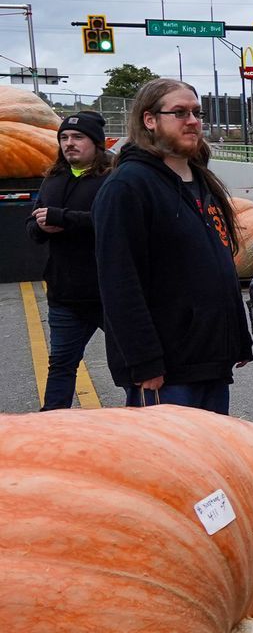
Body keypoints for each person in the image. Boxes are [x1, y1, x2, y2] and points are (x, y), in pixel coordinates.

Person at [92, 79, 252, 411]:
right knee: (170, 463)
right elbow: (119, 282)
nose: (193, 121)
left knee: (211, 460)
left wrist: (237, 338)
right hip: (165, 371)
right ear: (150, 120)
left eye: (197, 112)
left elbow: (219, 263)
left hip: (209, 360)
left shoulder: (201, 180)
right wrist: (145, 362)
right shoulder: (128, 185)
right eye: (179, 112)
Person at [29, 111, 112, 410]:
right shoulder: (53, 179)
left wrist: (63, 218)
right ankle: (51, 424)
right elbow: (33, 225)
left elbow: (113, 222)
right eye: (64, 138)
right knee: (61, 366)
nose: (69, 143)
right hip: (65, 296)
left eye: (78, 137)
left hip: (108, 294)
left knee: (133, 365)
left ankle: (144, 426)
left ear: (97, 143)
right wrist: (39, 226)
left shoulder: (113, 179)